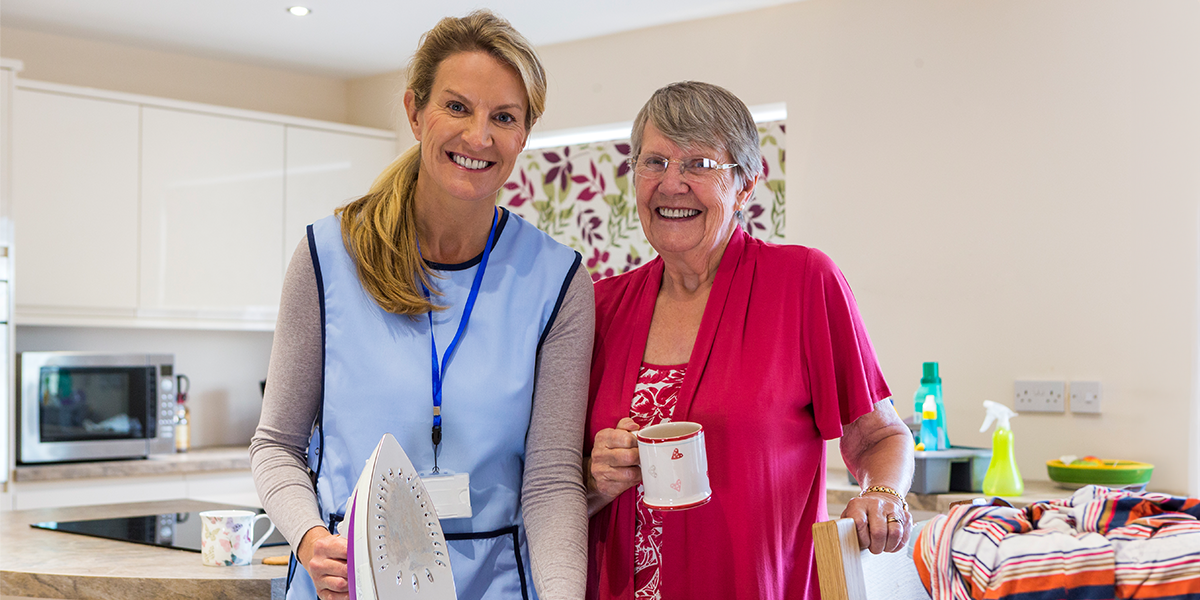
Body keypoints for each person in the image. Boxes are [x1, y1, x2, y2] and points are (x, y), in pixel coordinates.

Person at [250, 11, 592, 600]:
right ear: (415, 112)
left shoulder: (557, 280)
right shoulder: (326, 256)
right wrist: (308, 538)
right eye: (457, 107)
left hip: (496, 586)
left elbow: (552, 481)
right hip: (351, 584)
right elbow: (276, 444)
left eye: (503, 117)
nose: (479, 137)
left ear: (524, 135)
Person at [584, 81, 915, 600]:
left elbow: (879, 437)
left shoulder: (804, 282)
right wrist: (593, 479)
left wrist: (881, 493)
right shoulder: (600, 308)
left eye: (698, 164)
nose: (671, 184)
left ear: (744, 184)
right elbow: (551, 492)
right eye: (654, 162)